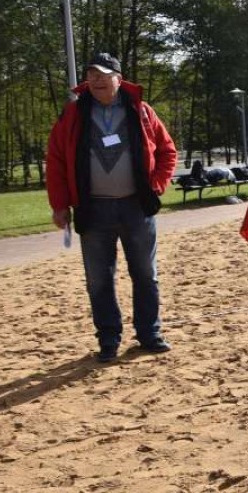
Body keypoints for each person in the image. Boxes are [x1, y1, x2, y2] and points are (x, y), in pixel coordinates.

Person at [46, 52, 178, 362]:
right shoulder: (73, 114)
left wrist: (155, 186)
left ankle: (149, 334)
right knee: (98, 279)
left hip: (136, 208)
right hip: (94, 211)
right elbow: (56, 160)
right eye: (92, 75)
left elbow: (167, 152)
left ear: (119, 79)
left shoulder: (142, 111)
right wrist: (60, 204)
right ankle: (108, 338)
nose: (97, 80)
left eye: (104, 74)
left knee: (146, 274)